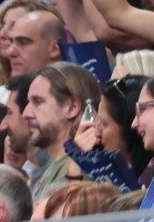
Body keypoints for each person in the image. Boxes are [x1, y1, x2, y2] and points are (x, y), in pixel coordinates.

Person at [20, 61, 104, 200]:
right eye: (28, 102)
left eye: (38, 101)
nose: (26, 113)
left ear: (71, 108)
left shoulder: (85, 170)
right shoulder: (53, 166)